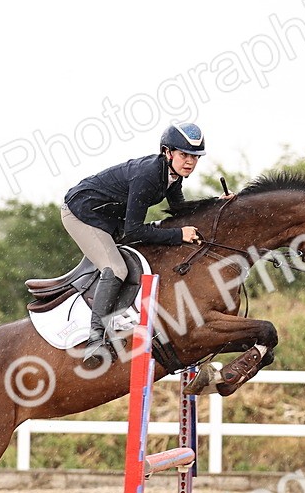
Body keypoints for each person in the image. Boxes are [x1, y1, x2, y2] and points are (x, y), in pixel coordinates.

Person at [62, 122, 208, 366]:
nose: (190, 162)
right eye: (184, 155)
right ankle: (95, 340)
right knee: (117, 269)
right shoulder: (149, 175)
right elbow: (134, 231)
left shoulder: (172, 176)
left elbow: (181, 213)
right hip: (82, 213)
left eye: (195, 157)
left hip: (107, 217)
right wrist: (177, 235)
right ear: (167, 152)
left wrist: (218, 204)